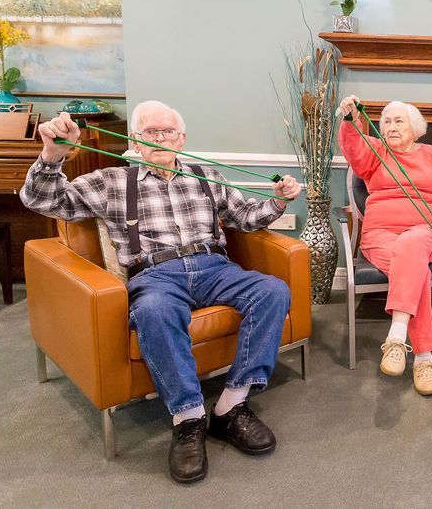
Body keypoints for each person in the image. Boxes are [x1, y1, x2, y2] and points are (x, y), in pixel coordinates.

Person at [20, 101, 302, 484]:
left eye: (168, 131)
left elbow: (247, 217)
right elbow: (43, 201)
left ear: (182, 138)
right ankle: (188, 418)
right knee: (152, 312)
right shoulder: (112, 181)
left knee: (272, 291)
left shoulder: (207, 175)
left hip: (214, 267)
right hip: (156, 275)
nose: (161, 138)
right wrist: (53, 155)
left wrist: (279, 200)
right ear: (135, 141)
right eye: (150, 132)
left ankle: (231, 407)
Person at [337, 97, 432, 396]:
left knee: (411, 244)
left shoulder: (431, 154)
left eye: (398, 121)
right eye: (387, 122)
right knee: (418, 273)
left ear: (416, 129)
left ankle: (396, 336)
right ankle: (423, 357)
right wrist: (350, 119)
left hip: (423, 231)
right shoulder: (375, 151)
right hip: (379, 234)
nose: (391, 127)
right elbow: (353, 147)